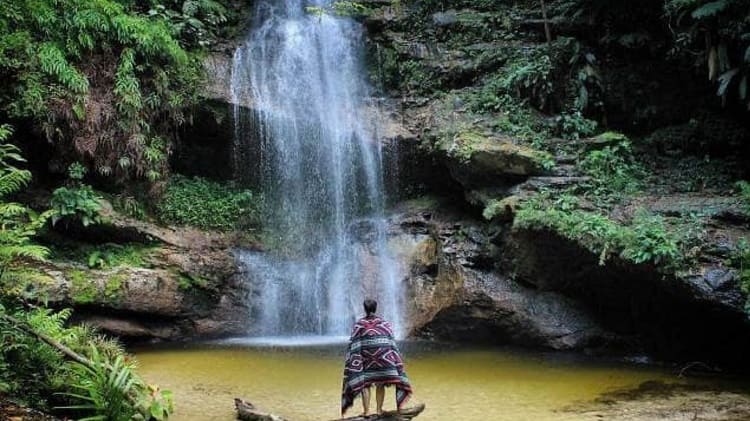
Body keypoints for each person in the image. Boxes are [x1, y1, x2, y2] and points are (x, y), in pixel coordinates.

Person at [341, 299, 412, 416]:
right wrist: (395, 360)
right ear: (376, 308)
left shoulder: (359, 325)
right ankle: (379, 410)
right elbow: (391, 343)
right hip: (384, 360)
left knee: (365, 383)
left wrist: (353, 360)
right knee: (380, 383)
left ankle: (367, 412)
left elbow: (354, 345)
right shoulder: (385, 324)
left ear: (364, 309)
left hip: (366, 360)